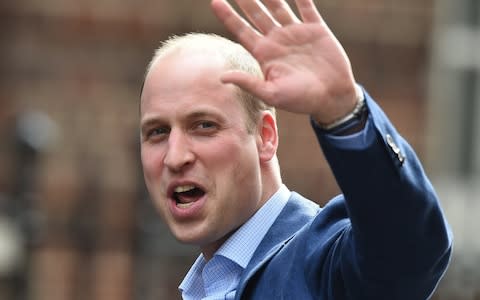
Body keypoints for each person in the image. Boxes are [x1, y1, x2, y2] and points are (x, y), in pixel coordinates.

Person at [139, 0, 452, 299]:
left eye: (204, 126)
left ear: (265, 136)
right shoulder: (201, 287)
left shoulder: (327, 267)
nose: (176, 157)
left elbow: (407, 249)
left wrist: (344, 112)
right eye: (157, 132)